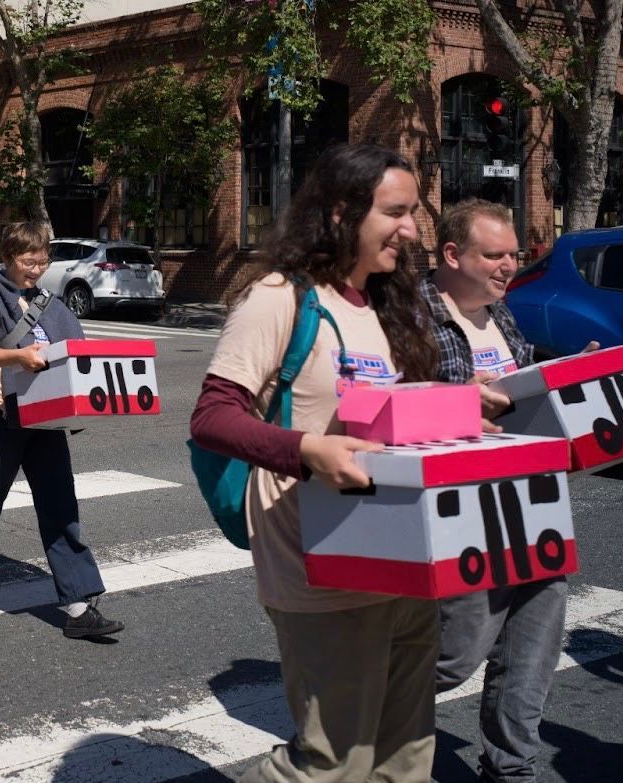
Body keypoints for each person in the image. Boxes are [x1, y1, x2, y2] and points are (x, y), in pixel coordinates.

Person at [188, 143, 441, 783]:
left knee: (405, 762)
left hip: (407, 559)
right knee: (332, 766)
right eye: (395, 212)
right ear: (339, 213)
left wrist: (464, 409)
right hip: (319, 561)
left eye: (413, 213)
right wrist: (307, 451)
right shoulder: (280, 298)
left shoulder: (392, 305)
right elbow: (212, 418)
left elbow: (397, 420)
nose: (411, 229)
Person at [425, 198, 581, 783]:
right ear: (451, 255)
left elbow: (521, 386)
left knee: (532, 644)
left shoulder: (502, 313)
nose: (509, 265)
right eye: (493, 254)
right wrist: (457, 398)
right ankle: (355, 715)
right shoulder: (410, 315)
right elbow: (382, 405)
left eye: (514, 253)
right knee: (455, 653)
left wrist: (569, 379)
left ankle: (511, 768)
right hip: (461, 506)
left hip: (532, 497)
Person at [0, 222, 124, 639]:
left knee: (60, 504)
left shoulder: (50, 303)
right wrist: (18, 356)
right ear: (8, 257)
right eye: (27, 261)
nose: (36, 269)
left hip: (44, 419)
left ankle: (77, 606)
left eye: (42, 261)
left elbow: (78, 351)